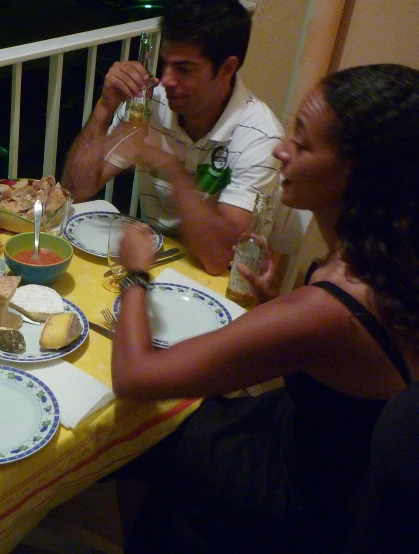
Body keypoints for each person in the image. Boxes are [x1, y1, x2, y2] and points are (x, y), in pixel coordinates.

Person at [109, 63, 419, 552]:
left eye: (302, 144)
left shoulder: (332, 304)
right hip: (326, 447)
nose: (281, 150)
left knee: (142, 432)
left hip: (300, 491)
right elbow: (340, 356)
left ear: (357, 174)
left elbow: (135, 375)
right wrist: (274, 302)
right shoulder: (386, 254)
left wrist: (135, 273)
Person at [61, 0, 283, 275]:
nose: (166, 80)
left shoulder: (261, 137)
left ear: (226, 69)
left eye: (185, 69)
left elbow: (217, 258)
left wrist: (170, 167)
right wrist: (105, 106)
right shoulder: (152, 105)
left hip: (215, 279)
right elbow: (75, 189)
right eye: (164, 65)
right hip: (148, 259)